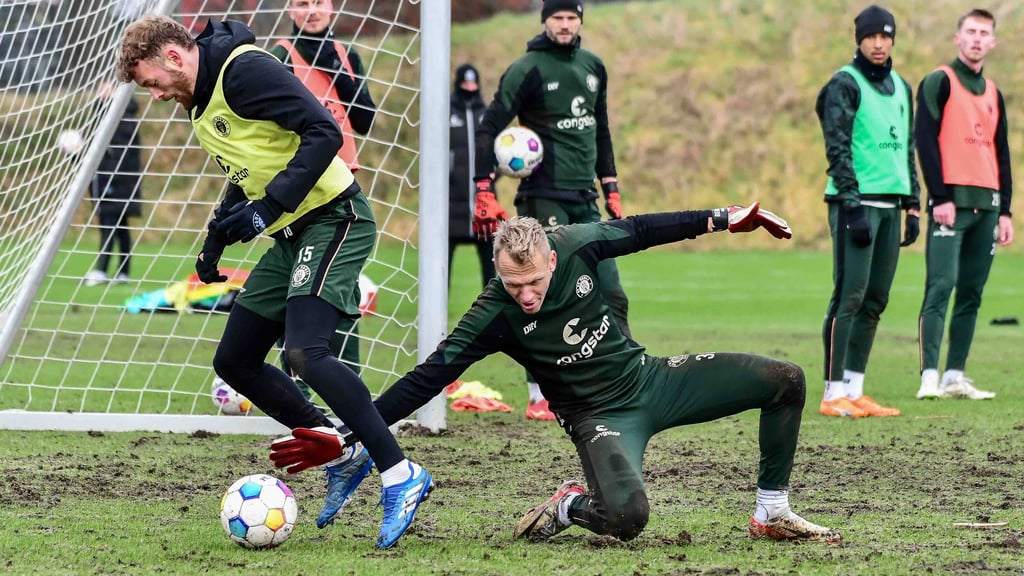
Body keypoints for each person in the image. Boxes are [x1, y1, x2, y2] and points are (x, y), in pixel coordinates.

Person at [270, 205, 844, 544]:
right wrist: (352, 437)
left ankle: (770, 510)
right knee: (627, 519)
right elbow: (426, 379)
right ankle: (568, 507)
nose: (524, 295)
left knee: (785, 378)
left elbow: (641, 229)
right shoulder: (492, 313)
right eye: (512, 284)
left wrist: (721, 218)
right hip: (600, 419)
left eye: (533, 282)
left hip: (652, 380)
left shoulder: (576, 246)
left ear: (549, 259)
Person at [115, 15, 430, 549]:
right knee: (234, 361)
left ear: (173, 57)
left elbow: (325, 132)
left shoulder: (245, 71)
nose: (156, 94)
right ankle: (340, 445)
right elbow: (247, 171)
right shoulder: (201, 100)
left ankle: (400, 473)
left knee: (306, 353)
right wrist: (216, 239)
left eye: (151, 82)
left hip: (335, 217)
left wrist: (267, 210)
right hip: (292, 234)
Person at [471, 0, 630, 421]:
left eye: (571, 18)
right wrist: (483, 186)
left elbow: (602, 129)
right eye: (557, 17)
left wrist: (609, 184)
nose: (564, 25)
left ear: (580, 21)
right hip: (542, 198)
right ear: (545, 21)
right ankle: (541, 393)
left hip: (585, 199)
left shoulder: (593, 66)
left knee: (612, 292)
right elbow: (490, 127)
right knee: (542, 296)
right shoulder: (528, 68)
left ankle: (624, 381)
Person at [268, 0, 379, 399]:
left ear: (332, 7)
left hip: (345, 185)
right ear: (288, 9)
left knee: (343, 289)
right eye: (301, 3)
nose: (311, 10)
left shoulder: (346, 55)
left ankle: (348, 390)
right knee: (297, 288)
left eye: (319, 2)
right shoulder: (280, 54)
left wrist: (336, 70)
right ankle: (297, 396)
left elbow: (365, 120)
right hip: (303, 190)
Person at [814, 5, 921, 418]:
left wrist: (913, 204)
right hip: (855, 205)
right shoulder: (844, 84)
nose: (879, 43)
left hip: (891, 205)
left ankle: (855, 390)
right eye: (871, 36)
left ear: (893, 40)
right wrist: (852, 205)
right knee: (849, 296)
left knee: (876, 298)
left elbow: (907, 147)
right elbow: (837, 148)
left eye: (885, 36)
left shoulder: (902, 86)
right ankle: (831, 393)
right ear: (858, 38)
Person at [914, 8, 1013, 401]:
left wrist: (1005, 210)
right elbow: (924, 140)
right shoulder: (940, 80)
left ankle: (955, 375)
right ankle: (929, 377)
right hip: (950, 204)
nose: (976, 38)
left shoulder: (993, 93)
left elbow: (1001, 153)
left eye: (983, 33)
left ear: (992, 42)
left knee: (972, 292)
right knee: (940, 287)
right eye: (970, 31)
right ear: (958, 37)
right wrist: (939, 196)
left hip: (987, 206)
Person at [84, 81, 144, 287]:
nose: (101, 92)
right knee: (119, 226)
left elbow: (120, 155)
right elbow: (94, 153)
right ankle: (123, 272)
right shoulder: (104, 119)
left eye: (106, 88)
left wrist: (111, 180)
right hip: (107, 181)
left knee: (111, 224)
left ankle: (103, 270)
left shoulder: (123, 119)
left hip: (116, 183)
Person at [449, 63, 495, 290]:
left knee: (492, 270)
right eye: (465, 82)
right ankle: (434, 317)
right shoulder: (446, 114)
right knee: (440, 269)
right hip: (450, 210)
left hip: (483, 209)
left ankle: (492, 318)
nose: (469, 86)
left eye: (473, 82)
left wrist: (494, 173)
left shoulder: (486, 114)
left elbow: (497, 154)